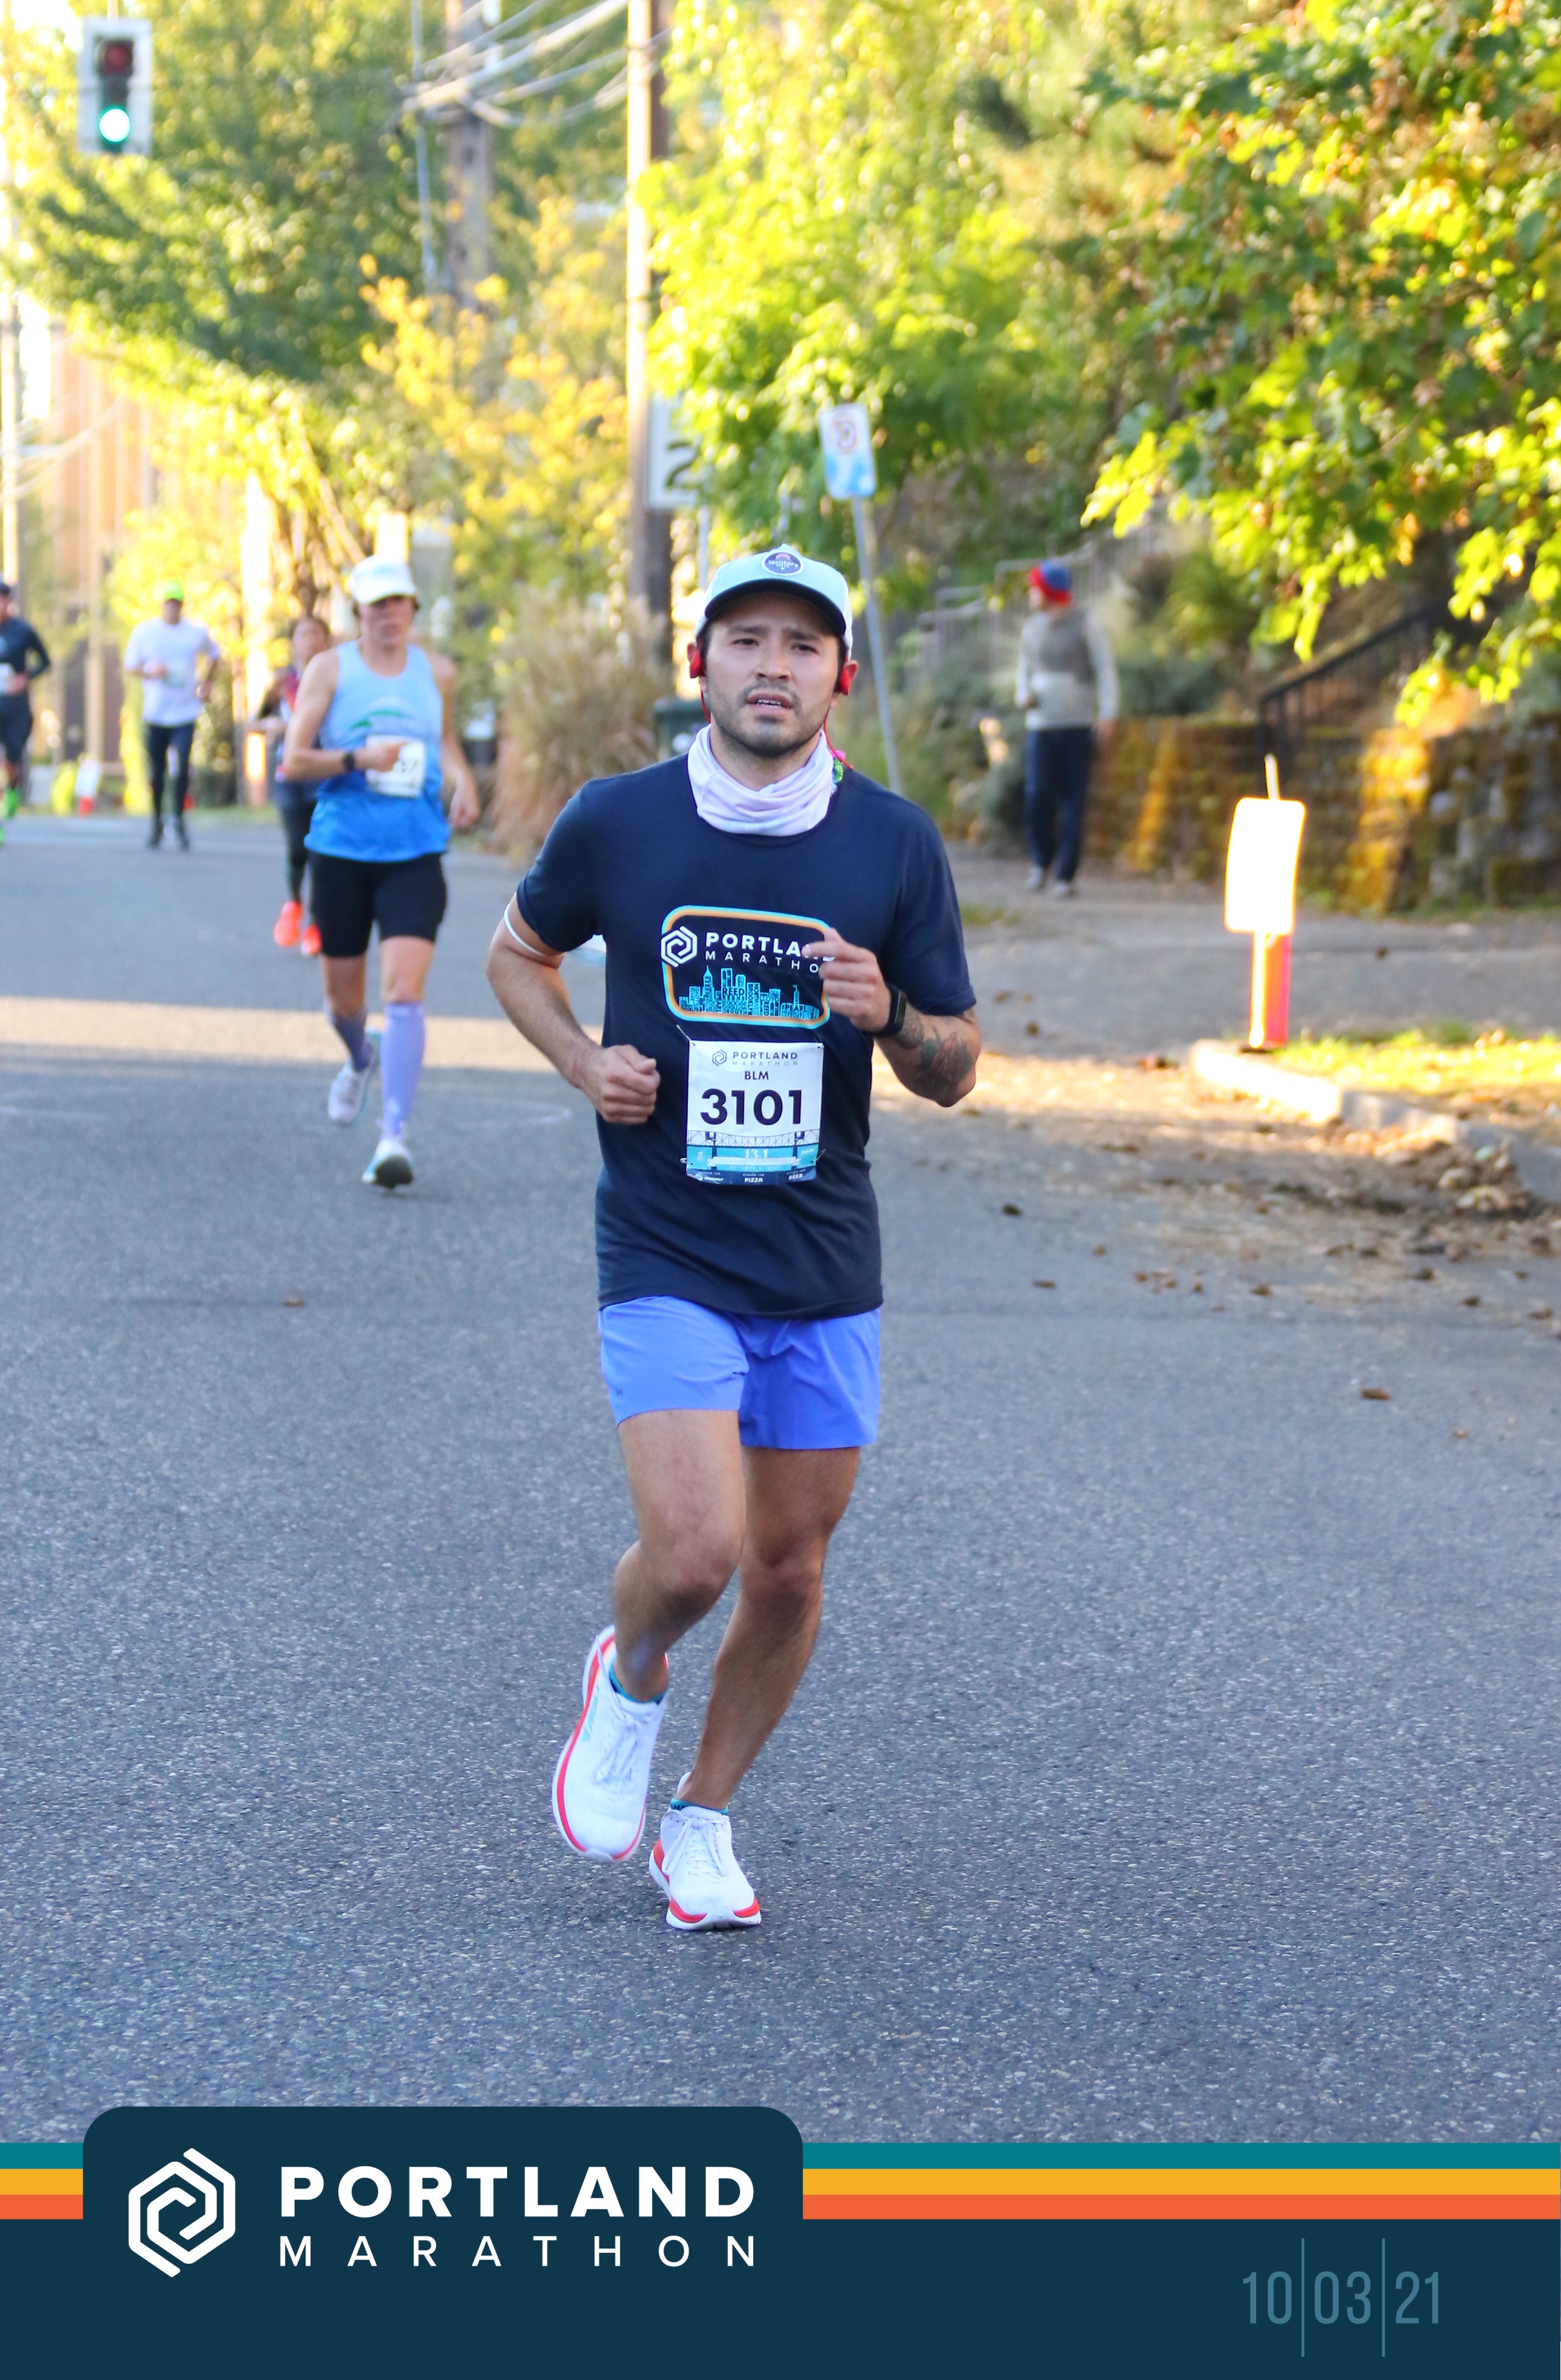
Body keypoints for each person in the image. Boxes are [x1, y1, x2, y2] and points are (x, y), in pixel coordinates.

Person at [485, 546, 981, 1930]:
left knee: (788, 1567)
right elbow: (517, 955)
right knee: (699, 1552)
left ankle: (700, 1816)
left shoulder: (893, 844)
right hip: (667, 1241)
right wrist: (583, 1061)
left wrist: (890, 1016)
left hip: (822, 1256)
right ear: (697, 663)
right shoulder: (617, 820)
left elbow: (957, 1065)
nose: (773, 666)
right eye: (746, 639)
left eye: (802, 645)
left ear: (841, 677)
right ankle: (631, 1672)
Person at [281, 555, 479, 1188]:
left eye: (399, 603)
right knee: (343, 1002)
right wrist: (357, 758)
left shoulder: (437, 672)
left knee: (403, 992)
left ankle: (393, 1136)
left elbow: (443, 739)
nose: (389, 614)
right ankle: (358, 1055)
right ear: (358, 611)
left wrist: (464, 782)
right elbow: (293, 759)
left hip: (415, 852)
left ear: (411, 609)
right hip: (341, 852)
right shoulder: (329, 669)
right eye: (377, 604)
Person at [1014, 559, 1117, 896]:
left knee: (1074, 801)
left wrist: (1108, 714)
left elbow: (1104, 668)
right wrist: (1023, 695)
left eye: (1036, 588)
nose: (1031, 594)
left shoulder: (1086, 624)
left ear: (1050, 592)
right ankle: (1040, 861)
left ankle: (1066, 874)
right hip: (1041, 725)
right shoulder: (1032, 629)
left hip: (1076, 725)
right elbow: (1024, 669)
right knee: (1037, 796)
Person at [252, 613, 330, 953]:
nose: (310, 641)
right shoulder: (281, 681)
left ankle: (316, 923)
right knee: (298, 848)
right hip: (289, 774)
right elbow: (254, 723)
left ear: (326, 641)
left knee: (322, 852)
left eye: (316, 634)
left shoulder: (335, 678)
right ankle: (294, 902)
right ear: (294, 642)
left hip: (326, 773)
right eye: (303, 634)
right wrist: (273, 726)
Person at [123, 581, 221, 849]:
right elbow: (131, 666)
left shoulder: (196, 632)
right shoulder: (146, 632)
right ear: (162, 604)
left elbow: (215, 654)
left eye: (177, 603)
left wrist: (206, 682)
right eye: (169, 602)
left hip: (185, 712)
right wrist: (150, 671)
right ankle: (157, 821)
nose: (173, 607)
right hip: (155, 713)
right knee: (157, 771)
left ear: (182, 605)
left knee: (182, 768)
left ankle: (178, 819)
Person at [0, 580, 49, 838]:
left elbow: (45, 661)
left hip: (16, 707)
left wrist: (26, 677)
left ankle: (11, 791)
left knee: (12, 757)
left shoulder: (23, 631)